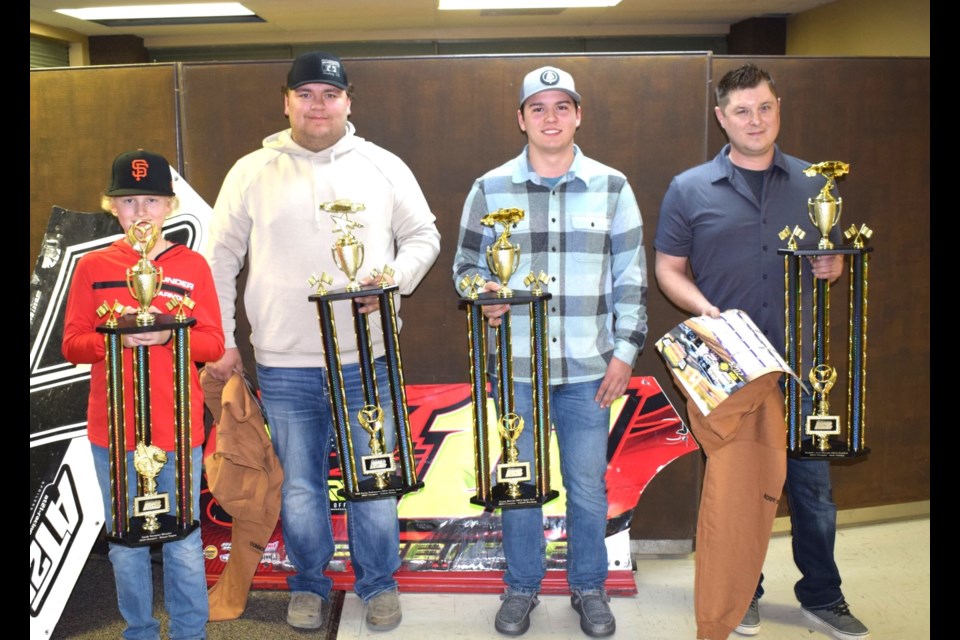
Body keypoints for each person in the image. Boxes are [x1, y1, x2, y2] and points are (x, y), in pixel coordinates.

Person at [204, 51, 440, 632]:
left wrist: (390, 281)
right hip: (286, 364)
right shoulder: (250, 171)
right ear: (285, 101)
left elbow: (423, 235)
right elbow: (219, 259)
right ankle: (309, 585)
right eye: (305, 94)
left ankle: (379, 584)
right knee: (303, 486)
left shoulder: (382, 166)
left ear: (348, 102)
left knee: (374, 478)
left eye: (329, 94)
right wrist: (225, 341)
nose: (318, 105)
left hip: (370, 357)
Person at [654, 63, 870, 640]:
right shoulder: (689, 188)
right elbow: (668, 269)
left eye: (765, 107)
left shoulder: (815, 183)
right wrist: (705, 311)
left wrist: (832, 266)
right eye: (742, 111)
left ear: (779, 108)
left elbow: (827, 263)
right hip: (733, 370)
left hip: (802, 369)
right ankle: (740, 592)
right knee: (736, 489)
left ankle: (824, 596)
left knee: (813, 491)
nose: (755, 120)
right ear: (722, 117)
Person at [452, 65, 648, 638]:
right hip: (516, 369)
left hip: (591, 370)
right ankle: (521, 587)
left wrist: (626, 353)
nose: (551, 118)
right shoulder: (489, 189)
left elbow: (631, 279)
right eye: (538, 108)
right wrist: (482, 293)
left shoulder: (613, 186)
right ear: (521, 119)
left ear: (579, 114)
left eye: (562, 106)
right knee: (521, 482)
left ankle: (589, 587)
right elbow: (464, 269)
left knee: (588, 486)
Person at [62, 149, 225, 640]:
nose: (140, 212)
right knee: (125, 541)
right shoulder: (93, 266)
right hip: (111, 431)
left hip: (178, 427)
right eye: (129, 200)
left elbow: (214, 343)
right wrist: (117, 337)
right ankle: (139, 630)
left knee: (183, 539)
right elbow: (72, 344)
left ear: (170, 206)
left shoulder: (191, 265)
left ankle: (190, 632)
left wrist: (169, 334)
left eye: (151, 200)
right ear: (110, 206)